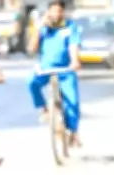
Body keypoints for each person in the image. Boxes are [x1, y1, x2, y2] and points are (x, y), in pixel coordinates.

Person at [27, 0, 82, 148]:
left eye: (59, 11)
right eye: (54, 11)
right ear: (49, 12)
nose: (56, 14)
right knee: (32, 83)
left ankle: (73, 132)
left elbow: (73, 45)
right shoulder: (44, 27)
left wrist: (75, 61)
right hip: (45, 68)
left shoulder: (70, 27)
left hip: (65, 69)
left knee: (72, 100)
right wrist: (38, 29)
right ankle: (44, 109)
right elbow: (32, 48)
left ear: (63, 12)